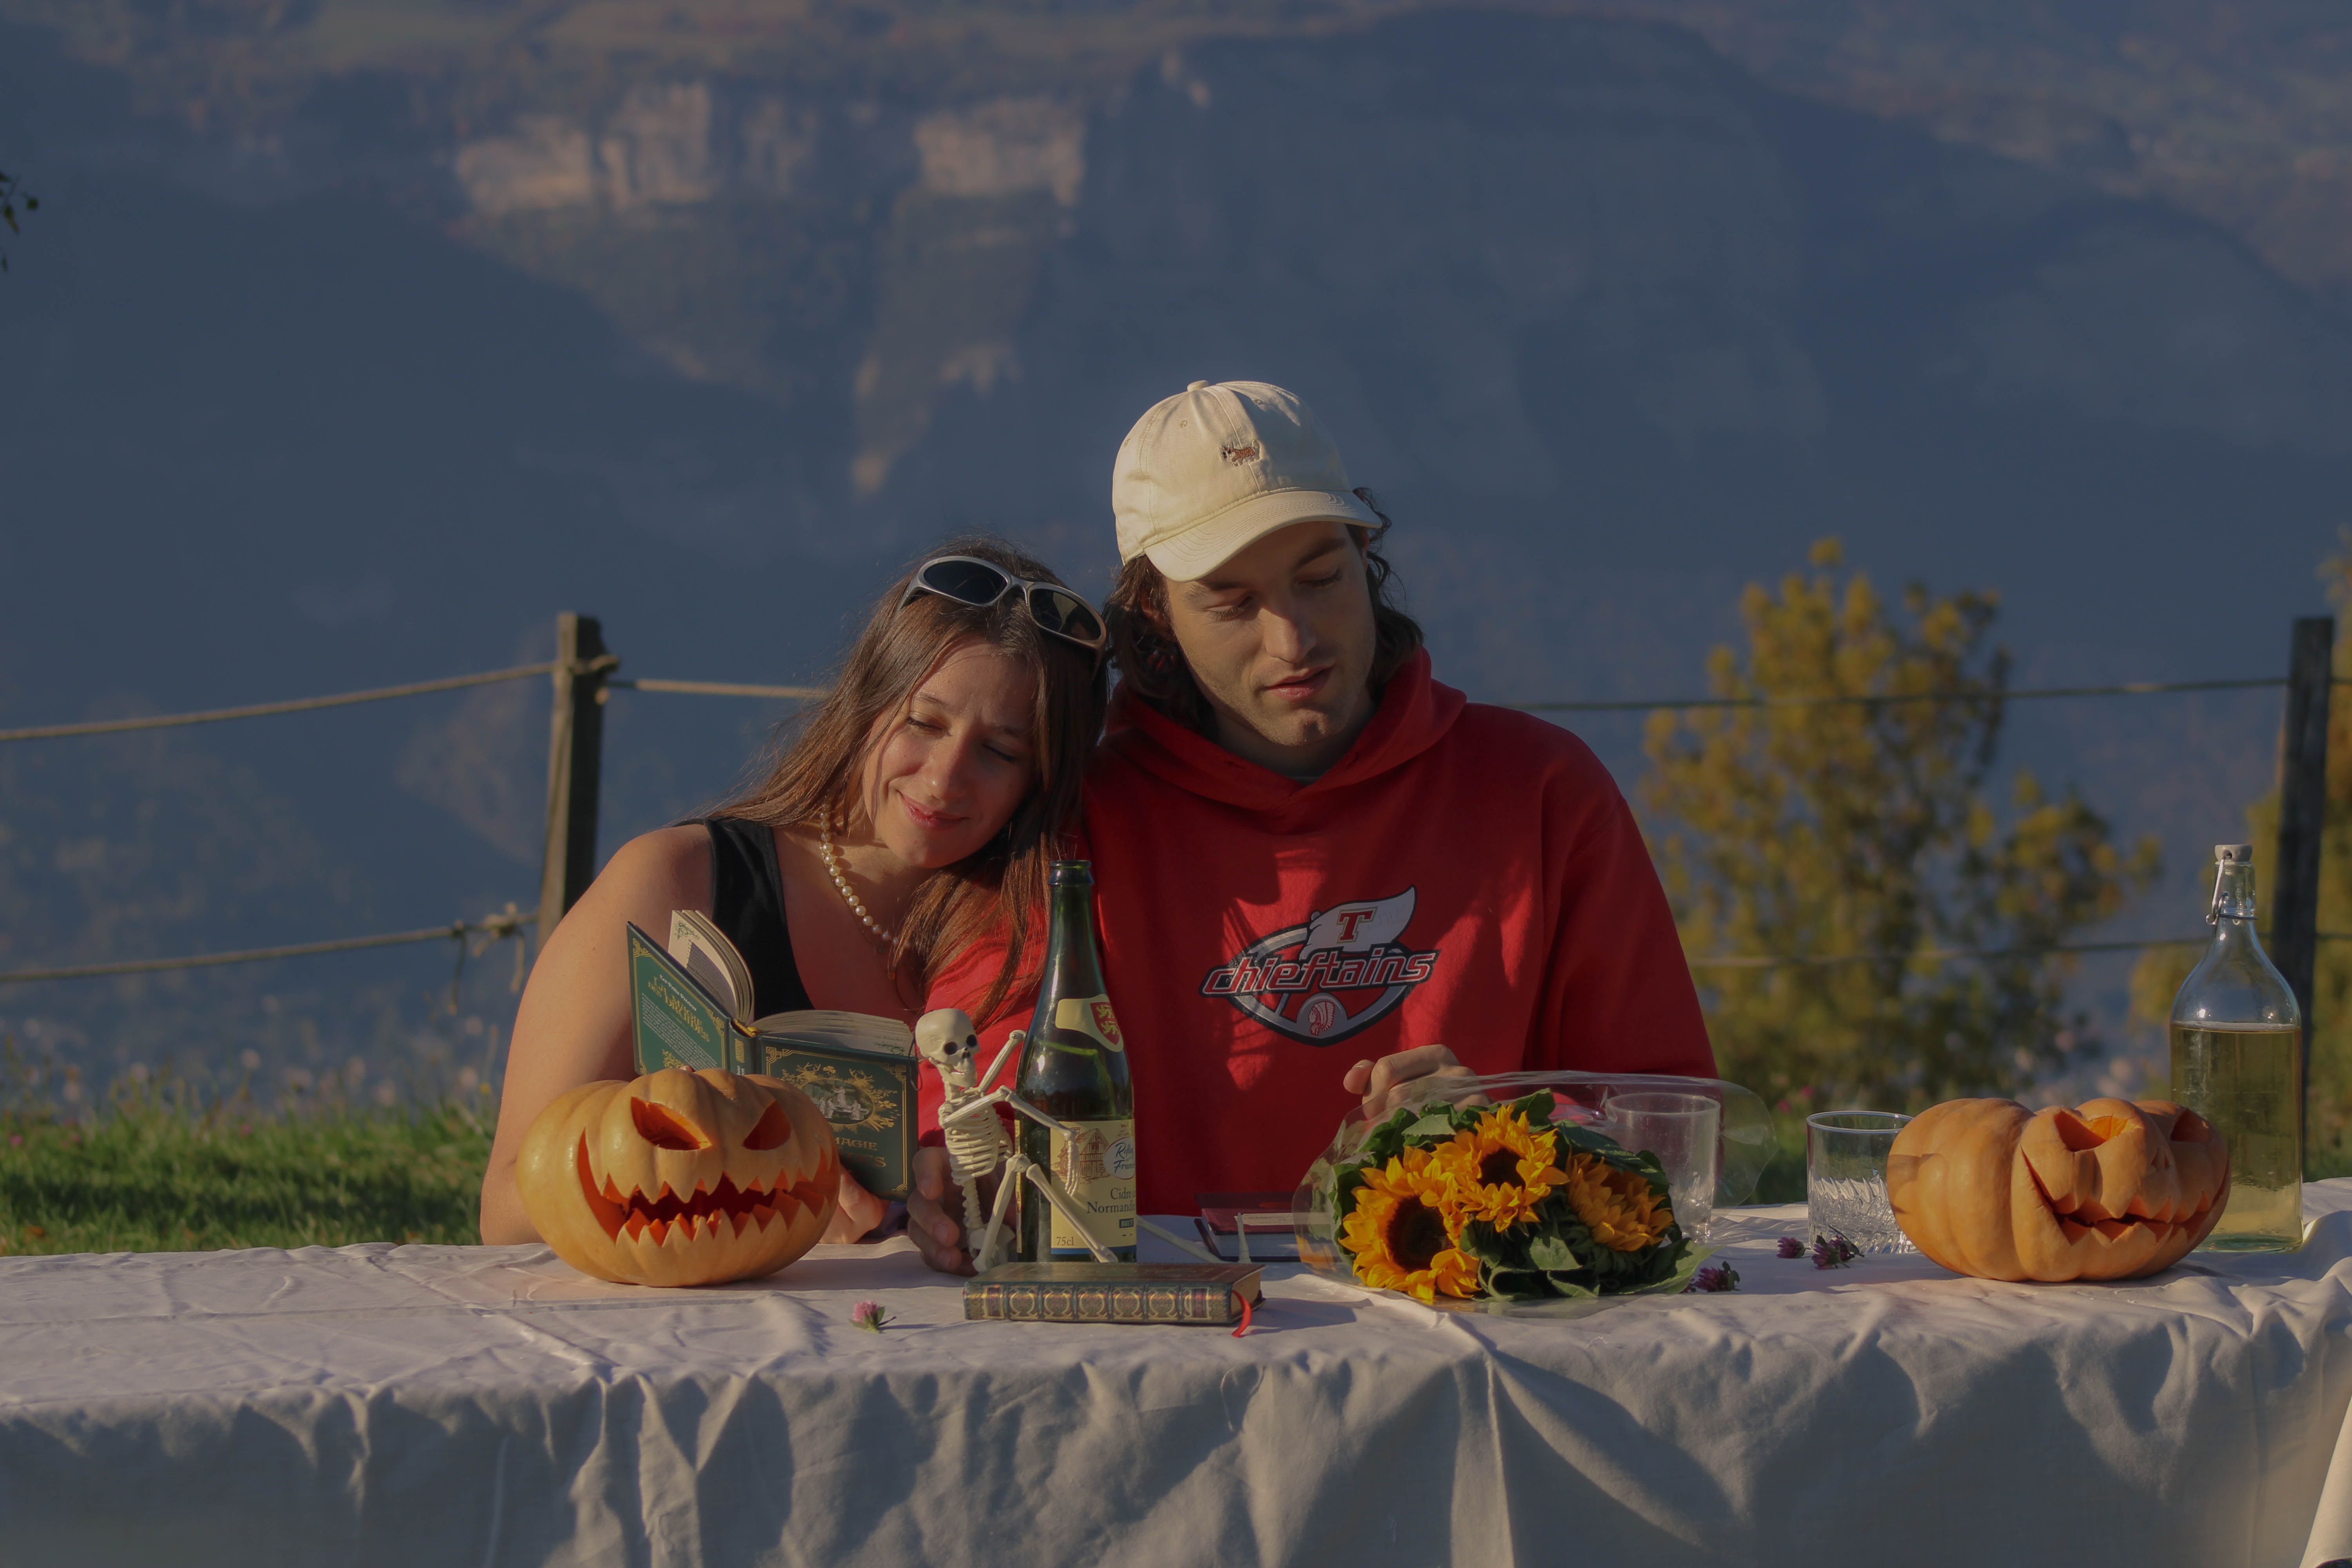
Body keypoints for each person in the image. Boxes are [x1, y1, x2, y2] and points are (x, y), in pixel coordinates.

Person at [908, 380, 1714, 1273]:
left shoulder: (1542, 792)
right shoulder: (1073, 827)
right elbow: (964, 1110)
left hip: (1467, 1345)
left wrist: (1501, 1125)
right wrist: (939, 1174)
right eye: (1232, 601)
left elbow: (1675, 1135)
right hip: (1165, 1345)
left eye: (1321, 578)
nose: (1293, 639)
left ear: (1365, 551)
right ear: (1153, 616)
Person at [479, 538, 1109, 1245]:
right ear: (869, 703)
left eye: (1000, 752)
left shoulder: (1045, 933)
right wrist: (741, 1179)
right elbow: (507, 1208)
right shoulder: (674, 883)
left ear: (1040, 782)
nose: (944, 777)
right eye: (923, 722)